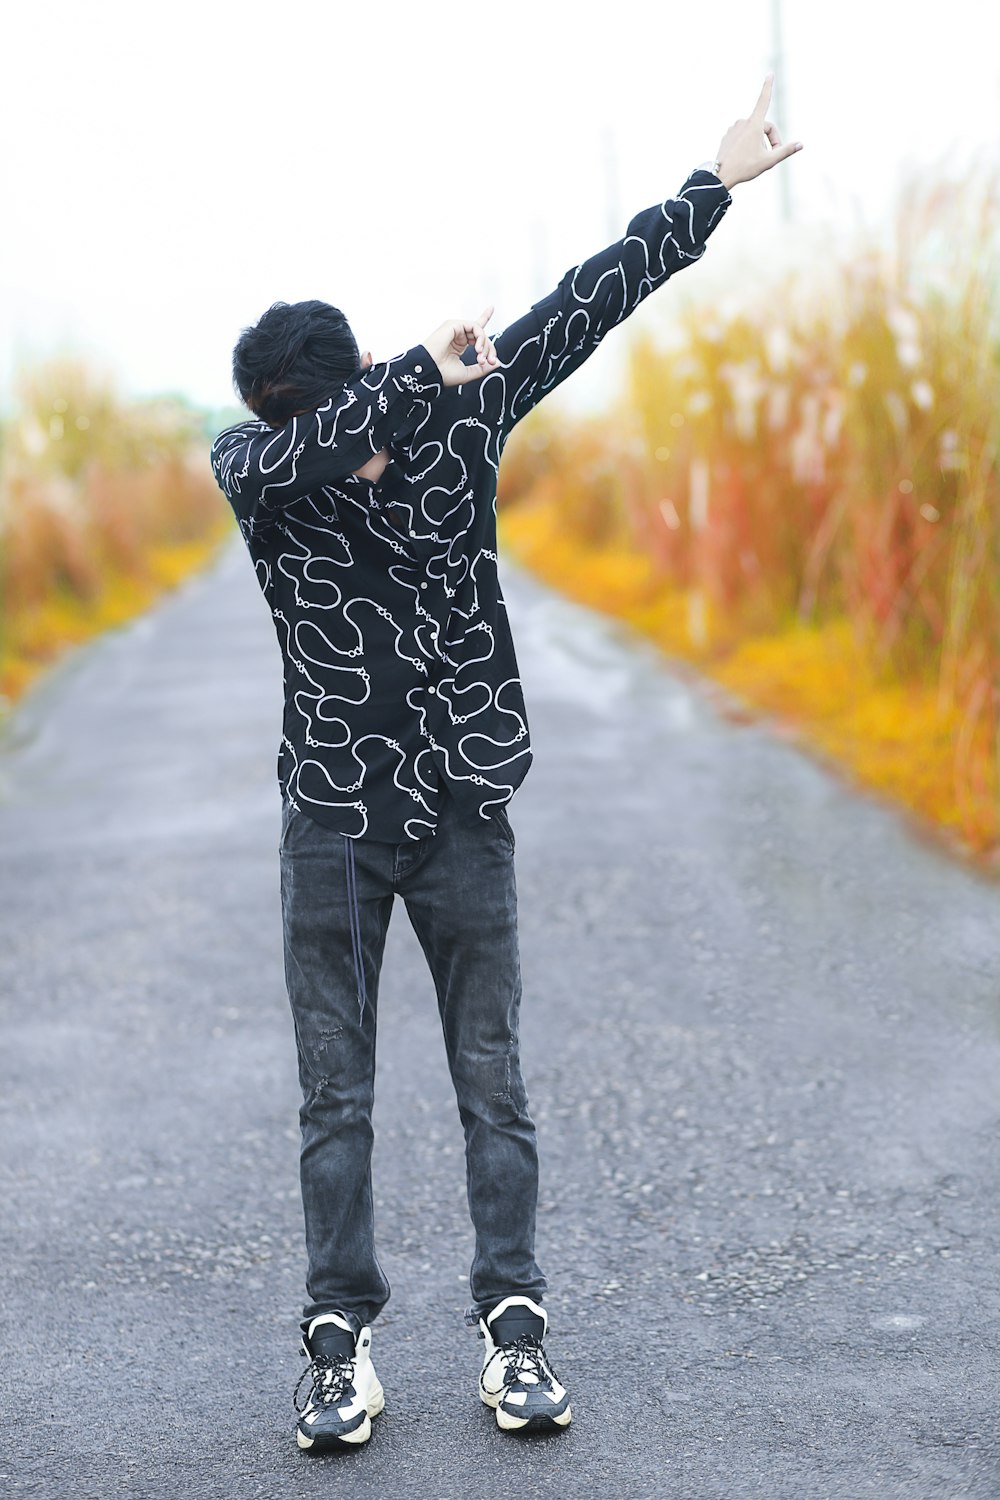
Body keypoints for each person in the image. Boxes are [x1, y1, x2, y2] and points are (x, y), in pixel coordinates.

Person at [209, 74, 802, 1452]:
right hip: (334, 830)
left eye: (346, 404)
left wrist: (711, 186)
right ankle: (338, 1348)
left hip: (464, 809)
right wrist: (414, 372)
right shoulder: (263, 469)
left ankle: (514, 1333)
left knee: (496, 1082)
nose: (344, 440)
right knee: (336, 1095)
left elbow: (588, 305)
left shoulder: (452, 425)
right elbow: (290, 461)